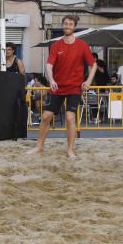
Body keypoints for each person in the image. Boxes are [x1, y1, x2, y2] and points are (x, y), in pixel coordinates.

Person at [33, 14, 96, 158]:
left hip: (75, 87)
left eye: (70, 24)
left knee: (69, 117)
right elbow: (49, 65)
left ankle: (70, 150)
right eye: (65, 24)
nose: (67, 26)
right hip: (58, 87)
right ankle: (39, 147)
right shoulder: (56, 45)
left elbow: (93, 64)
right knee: (45, 116)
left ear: (74, 27)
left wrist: (88, 81)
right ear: (63, 25)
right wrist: (51, 80)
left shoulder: (82, 45)